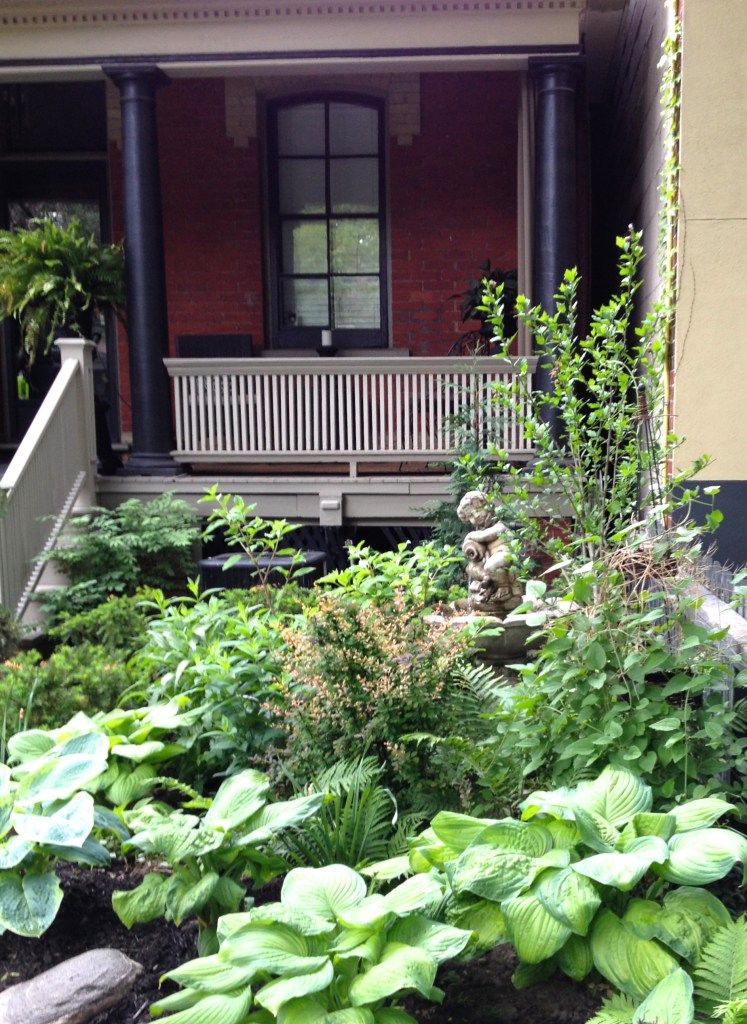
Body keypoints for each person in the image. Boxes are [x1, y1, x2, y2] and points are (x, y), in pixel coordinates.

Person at [456, 490, 523, 616]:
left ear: (487, 506)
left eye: (477, 511)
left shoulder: (500, 526)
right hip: (494, 567)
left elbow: (483, 536)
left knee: (490, 566)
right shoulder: (481, 532)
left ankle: (505, 590)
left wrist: (470, 536)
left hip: (505, 557)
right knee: (471, 568)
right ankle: (487, 587)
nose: (474, 517)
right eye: (470, 516)